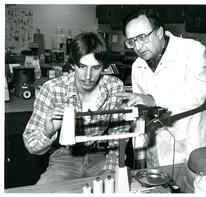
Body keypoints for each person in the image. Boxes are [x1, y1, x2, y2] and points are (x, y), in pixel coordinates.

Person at [23, 32, 130, 185]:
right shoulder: (52, 89)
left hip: (100, 155)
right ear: (72, 64)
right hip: (65, 157)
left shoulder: (114, 86)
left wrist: (112, 170)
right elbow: (31, 145)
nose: (88, 76)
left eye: (95, 68)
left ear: (105, 68)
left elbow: (119, 134)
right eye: (82, 66)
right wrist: (49, 131)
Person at [116, 9, 206, 167]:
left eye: (142, 38)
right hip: (157, 148)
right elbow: (142, 111)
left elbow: (197, 93)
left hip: (192, 144)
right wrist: (139, 152)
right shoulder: (137, 66)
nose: (138, 47)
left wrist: (153, 100)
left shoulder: (193, 50)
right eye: (132, 41)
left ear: (159, 32)